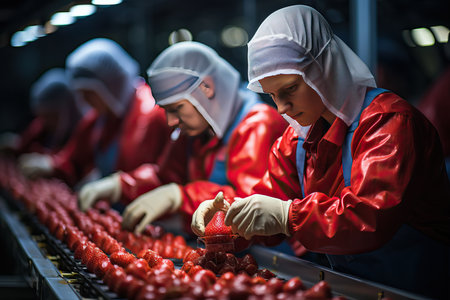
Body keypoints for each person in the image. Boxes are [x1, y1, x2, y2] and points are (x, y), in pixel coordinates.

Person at [191, 5, 450, 299]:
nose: (281, 108)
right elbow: (271, 204)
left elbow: (368, 217)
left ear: (324, 70)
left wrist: (288, 215)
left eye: (290, 89)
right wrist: (229, 220)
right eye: (273, 95)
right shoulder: (295, 140)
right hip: (351, 288)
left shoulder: (388, 123)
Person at [119, 41, 287, 235]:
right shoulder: (195, 131)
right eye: (166, 111)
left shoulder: (258, 124)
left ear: (207, 87)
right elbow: (166, 178)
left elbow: (250, 205)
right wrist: (123, 184)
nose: (171, 121)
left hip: (269, 256)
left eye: (176, 109)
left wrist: (181, 197)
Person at [18, 39, 182, 199]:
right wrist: (52, 165)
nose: (83, 100)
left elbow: (168, 174)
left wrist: (121, 185)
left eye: (89, 93)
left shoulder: (154, 115)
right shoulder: (99, 120)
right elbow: (75, 160)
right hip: (116, 215)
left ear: (110, 85)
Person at [0, 68, 82, 155]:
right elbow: (25, 143)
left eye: (50, 115)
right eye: (42, 116)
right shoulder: (40, 126)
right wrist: (15, 145)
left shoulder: (84, 131)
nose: (45, 121)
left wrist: (49, 163)